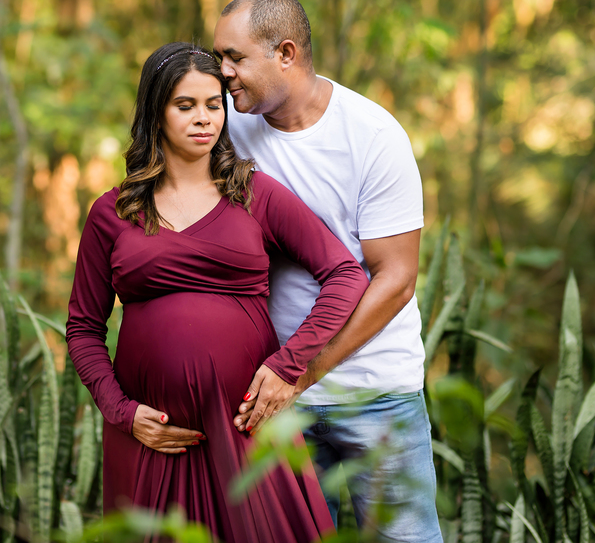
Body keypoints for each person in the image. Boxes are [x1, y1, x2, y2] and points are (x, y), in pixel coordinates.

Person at [65, 42, 370, 543]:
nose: (204, 118)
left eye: (213, 104)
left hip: (245, 426)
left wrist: (287, 366)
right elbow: (82, 329)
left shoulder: (255, 194)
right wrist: (122, 412)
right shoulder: (112, 213)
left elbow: (345, 276)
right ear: (154, 112)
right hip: (151, 437)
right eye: (185, 106)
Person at [214, 0, 441, 543]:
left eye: (235, 58)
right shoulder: (224, 123)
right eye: (219, 58)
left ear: (285, 54)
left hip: (374, 392)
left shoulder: (373, 136)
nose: (223, 73)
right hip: (269, 397)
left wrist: (302, 373)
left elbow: (395, 280)